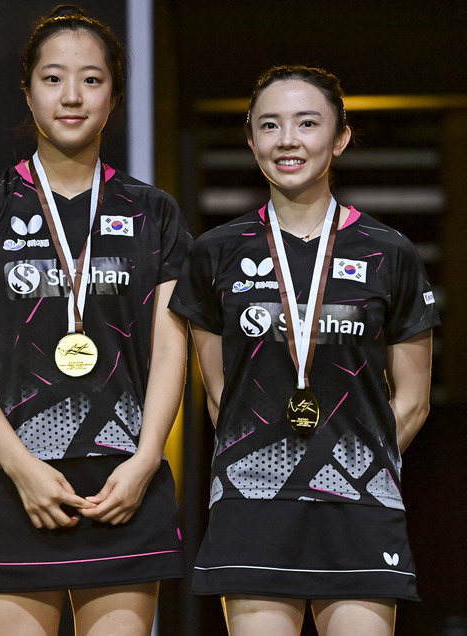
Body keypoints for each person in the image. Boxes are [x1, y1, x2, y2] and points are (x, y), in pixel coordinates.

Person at [0, 5, 190, 635]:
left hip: (124, 481)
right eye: (53, 78)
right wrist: (21, 468)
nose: (72, 96)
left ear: (115, 94)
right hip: (11, 479)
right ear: (28, 89)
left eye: (92, 79)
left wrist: (147, 459)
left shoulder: (154, 212)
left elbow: (171, 349)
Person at [169, 65, 440, 636]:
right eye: (270, 125)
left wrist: (356, 472)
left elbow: (413, 401)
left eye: (307, 123)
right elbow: (221, 396)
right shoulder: (215, 253)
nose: (287, 140)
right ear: (251, 140)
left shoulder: (390, 253)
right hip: (252, 500)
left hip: (360, 504)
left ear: (339, 137)